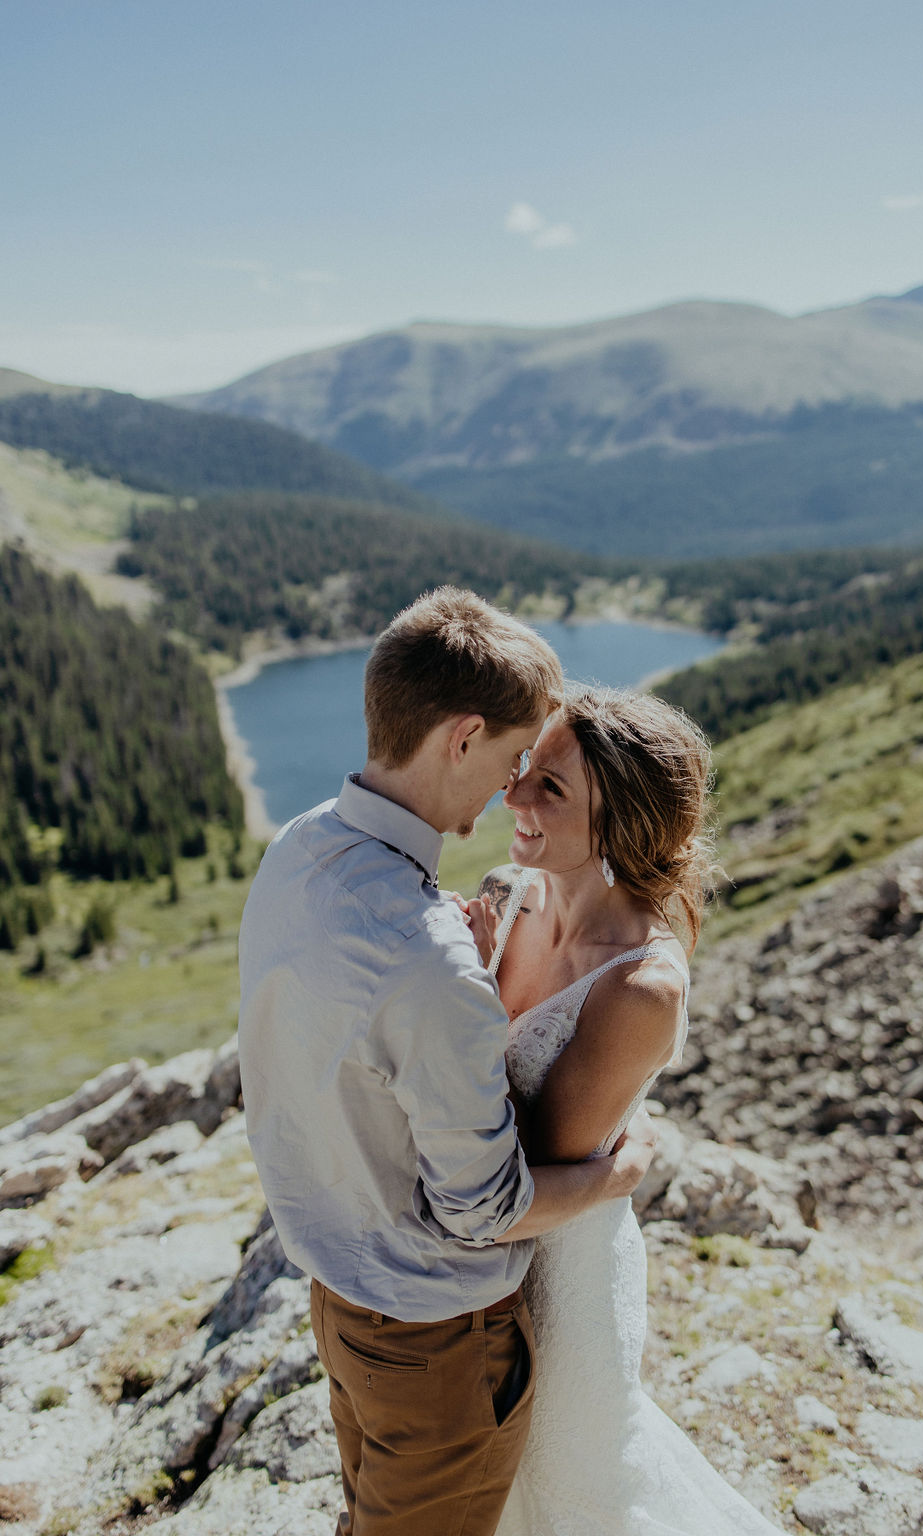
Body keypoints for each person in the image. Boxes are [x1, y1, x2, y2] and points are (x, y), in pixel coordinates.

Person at [237, 589, 657, 1536]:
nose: (512, 794)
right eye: (514, 761)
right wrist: (612, 1175)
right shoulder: (426, 955)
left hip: (337, 1298)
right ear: (461, 738)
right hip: (433, 1345)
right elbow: (484, 1210)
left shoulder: (299, 848)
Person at [470, 685, 788, 1536]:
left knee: (574, 1485)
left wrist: (624, 1166)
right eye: (526, 770)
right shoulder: (508, 894)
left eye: (552, 789)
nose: (514, 797)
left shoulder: (642, 985)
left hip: (561, 1277)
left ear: (620, 826)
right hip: (469, 1256)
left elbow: (526, 1162)